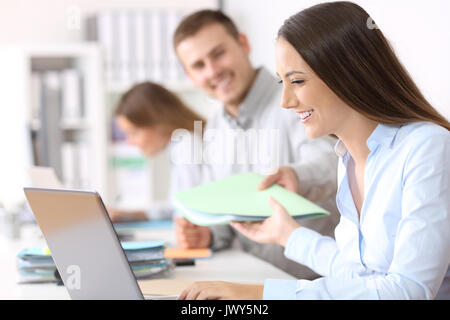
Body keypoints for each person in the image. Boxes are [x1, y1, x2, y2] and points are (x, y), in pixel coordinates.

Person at [178, 1, 450, 300]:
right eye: (283, 82)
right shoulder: (347, 159)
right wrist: (287, 234)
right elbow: (361, 275)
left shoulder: (428, 147)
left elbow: (408, 291)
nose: (286, 101)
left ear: (347, 73)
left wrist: (261, 295)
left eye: (297, 81)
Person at [172, 9, 340, 280]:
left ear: (243, 44)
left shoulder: (294, 97)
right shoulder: (214, 128)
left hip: (314, 281)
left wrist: (296, 176)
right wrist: (206, 234)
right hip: (257, 279)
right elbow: (225, 214)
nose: (213, 71)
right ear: (190, 76)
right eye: (199, 65)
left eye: (218, 53)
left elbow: (335, 165)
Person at [109, 81, 205, 222]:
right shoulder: (180, 144)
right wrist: (127, 214)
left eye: (134, 133)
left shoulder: (187, 145)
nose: (130, 142)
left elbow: (187, 214)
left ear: (158, 123)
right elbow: (175, 207)